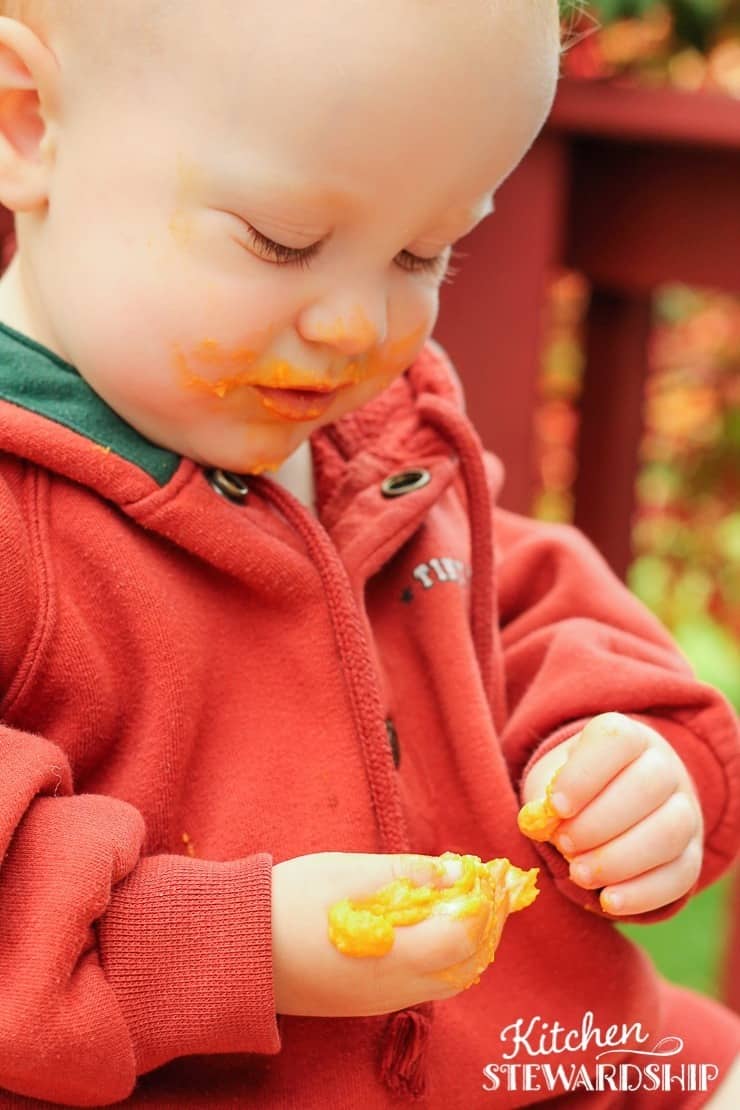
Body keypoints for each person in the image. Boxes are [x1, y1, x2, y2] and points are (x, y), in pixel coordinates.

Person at [0, 0, 738, 1106]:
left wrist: (630, 764)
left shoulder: (381, 451)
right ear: (27, 122)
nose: (355, 324)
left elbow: (528, 618)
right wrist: (250, 942)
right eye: (281, 239)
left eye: (420, 251)